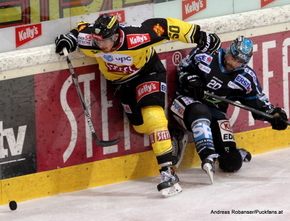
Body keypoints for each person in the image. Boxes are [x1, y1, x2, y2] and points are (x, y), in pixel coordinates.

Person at [54, 13, 221, 197]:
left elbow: (165, 26)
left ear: (116, 35)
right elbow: (79, 29)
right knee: (141, 125)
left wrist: (199, 35)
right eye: (97, 40)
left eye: (105, 41)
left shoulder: (137, 37)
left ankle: (168, 173)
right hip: (123, 83)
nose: (101, 46)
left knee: (153, 117)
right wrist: (68, 39)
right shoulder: (89, 40)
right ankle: (172, 135)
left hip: (148, 73)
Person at [170, 36, 288, 183]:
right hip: (186, 102)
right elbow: (182, 67)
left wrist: (275, 115)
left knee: (231, 163)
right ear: (229, 50)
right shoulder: (207, 55)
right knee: (201, 112)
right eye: (233, 57)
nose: (233, 63)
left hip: (216, 112)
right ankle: (189, 143)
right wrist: (190, 79)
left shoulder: (246, 77)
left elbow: (260, 104)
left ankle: (233, 151)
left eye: (240, 62)